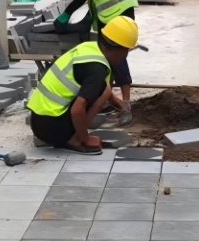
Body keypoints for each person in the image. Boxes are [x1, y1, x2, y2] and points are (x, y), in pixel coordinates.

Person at [28, 16, 139, 154]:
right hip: (53, 128)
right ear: (120, 49)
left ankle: (68, 135)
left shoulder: (89, 48)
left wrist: (120, 105)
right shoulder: (97, 69)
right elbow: (77, 109)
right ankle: (74, 140)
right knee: (103, 92)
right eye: (127, 50)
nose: (125, 55)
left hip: (40, 121)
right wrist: (85, 139)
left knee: (102, 89)